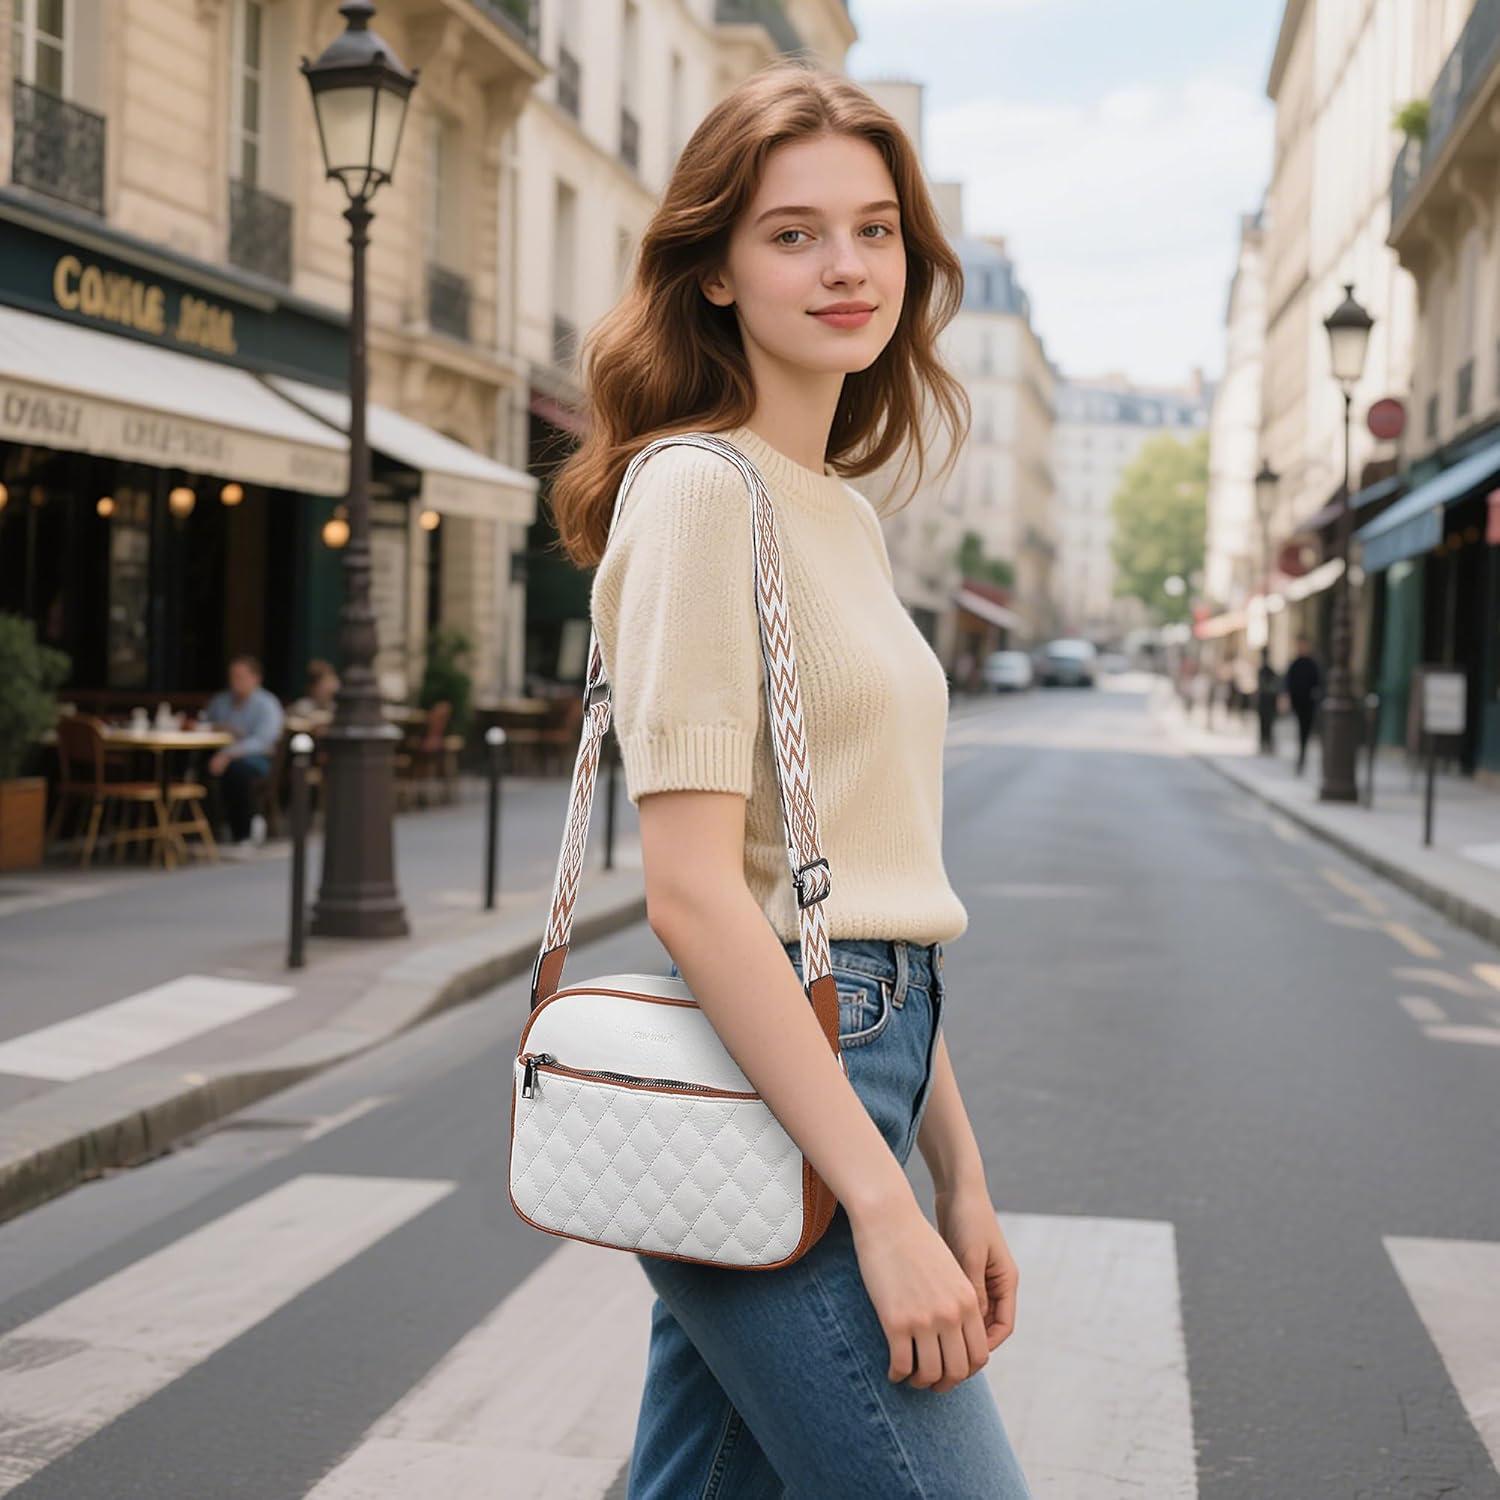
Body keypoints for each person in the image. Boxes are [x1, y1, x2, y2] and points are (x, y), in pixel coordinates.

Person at [551, 60, 1031, 1499]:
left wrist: (960, 1172)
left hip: (864, 1052)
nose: (847, 267)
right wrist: (878, 1208)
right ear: (711, 272)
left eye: (877, 229)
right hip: (780, 1086)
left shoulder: (835, 510)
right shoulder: (702, 491)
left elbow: (867, 889)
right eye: (794, 232)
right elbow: (701, 899)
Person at [201, 654, 284, 847]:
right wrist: (218, 728)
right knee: (199, 770)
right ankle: (206, 829)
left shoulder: (267, 704)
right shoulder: (221, 701)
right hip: (219, 755)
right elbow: (205, 723)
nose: (235, 682)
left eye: (240, 677)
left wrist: (228, 754)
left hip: (256, 759)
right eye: (232, 677)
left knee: (237, 772)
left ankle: (243, 831)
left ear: (256, 678)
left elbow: (264, 741)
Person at [1284, 634, 1323, 774]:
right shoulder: (1295, 663)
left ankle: (1302, 754)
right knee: (1301, 729)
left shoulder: (1312, 664)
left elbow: (1318, 683)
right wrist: (1286, 698)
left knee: (1306, 730)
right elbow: (1287, 683)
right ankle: (1301, 755)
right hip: (1298, 703)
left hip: (1309, 703)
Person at [288, 659, 340, 724]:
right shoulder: (303, 705)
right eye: (325, 685)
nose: (331, 690)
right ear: (313, 687)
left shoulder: (334, 706)